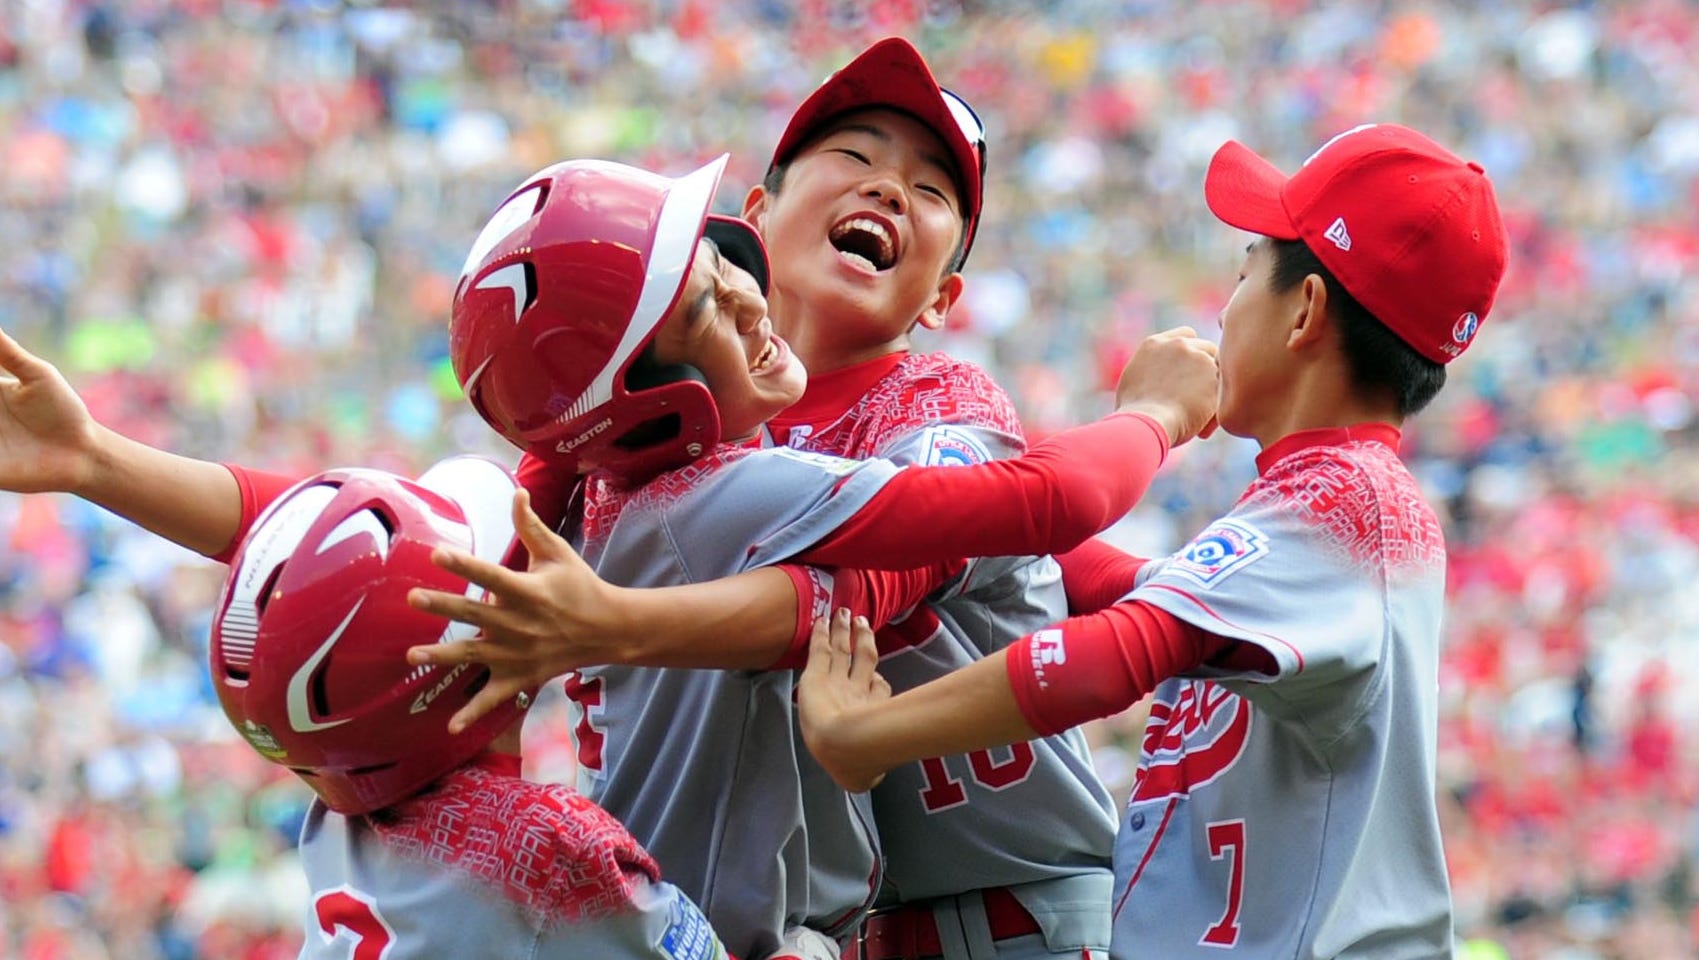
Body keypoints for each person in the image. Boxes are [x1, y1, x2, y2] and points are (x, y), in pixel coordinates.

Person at [0, 151, 1218, 960]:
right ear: (646, 399)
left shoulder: (595, 498)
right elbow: (1046, 504)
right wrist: (1157, 411)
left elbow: (345, 549)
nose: (740, 293)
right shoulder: (725, 495)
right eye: (700, 300)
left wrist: (101, 464)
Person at [414, 38, 1150, 960]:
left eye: (930, 192)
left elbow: (917, 570)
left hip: (1018, 907)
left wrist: (612, 620)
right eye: (855, 156)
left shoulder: (937, 402)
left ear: (942, 297)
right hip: (855, 924)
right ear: (754, 215)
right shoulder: (702, 449)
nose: (888, 187)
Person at [793, 122, 1510, 959]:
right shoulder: (1329, 496)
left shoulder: (1350, 501)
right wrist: (985, 503)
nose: (1222, 307)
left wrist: (867, 735)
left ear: (1304, 310)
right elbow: (1136, 591)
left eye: (1244, 274)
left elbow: (1115, 652)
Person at [206, 454, 734, 960]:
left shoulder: (339, 813)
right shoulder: (550, 847)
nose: (522, 578)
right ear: (456, 670)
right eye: (492, 584)